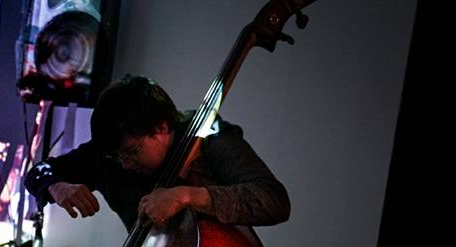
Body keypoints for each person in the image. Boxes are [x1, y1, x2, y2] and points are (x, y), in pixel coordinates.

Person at [24, 75, 290, 231]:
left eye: (132, 151)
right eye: (118, 157)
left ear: (161, 127)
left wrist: (187, 196)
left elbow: (274, 201)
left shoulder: (209, 135)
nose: (125, 165)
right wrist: (56, 187)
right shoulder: (107, 154)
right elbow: (37, 172)